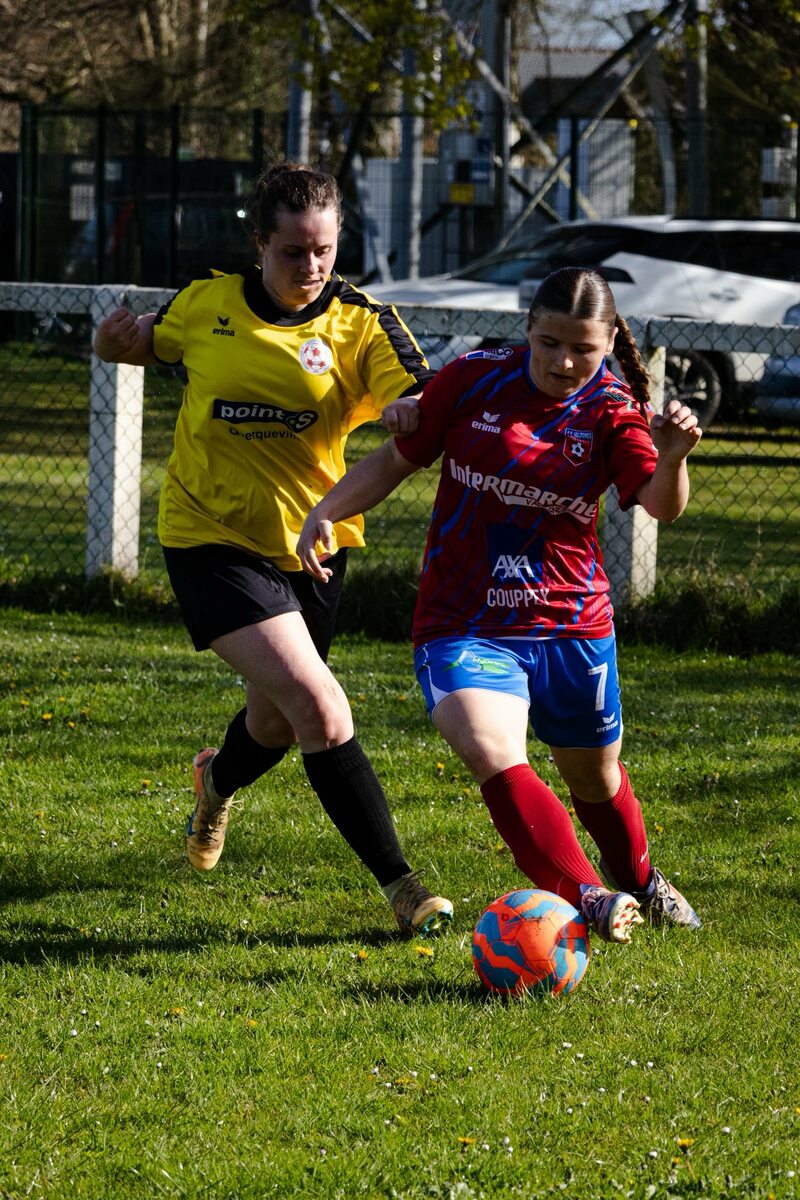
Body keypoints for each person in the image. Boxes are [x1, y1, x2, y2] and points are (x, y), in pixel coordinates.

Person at [92, 161, 453, 937]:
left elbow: (419, 391)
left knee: (278, 723)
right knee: (320, 706)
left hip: (311, 548)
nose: (311, 266)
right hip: (208, 538)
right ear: (259, 243)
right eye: (293, 252)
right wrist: (112, 342)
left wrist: (410, 409)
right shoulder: (207, 304)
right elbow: (141, 343)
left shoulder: (361, 322)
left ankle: (214, 782)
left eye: (325, 250)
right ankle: (404, 889)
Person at [297, 265, 704, 945]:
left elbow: (663, 506)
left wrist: (673, 458)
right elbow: (395, 460)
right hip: (463, 621)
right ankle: (589, 897)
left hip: (571, 625)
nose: (563, 362)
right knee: (493, 750)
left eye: (582, 348)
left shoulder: (614, 410)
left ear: (609, 343)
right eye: (549, 343)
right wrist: (327, 511)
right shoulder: (474, 379)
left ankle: (640, 880)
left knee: (596, 779)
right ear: (527, 330)